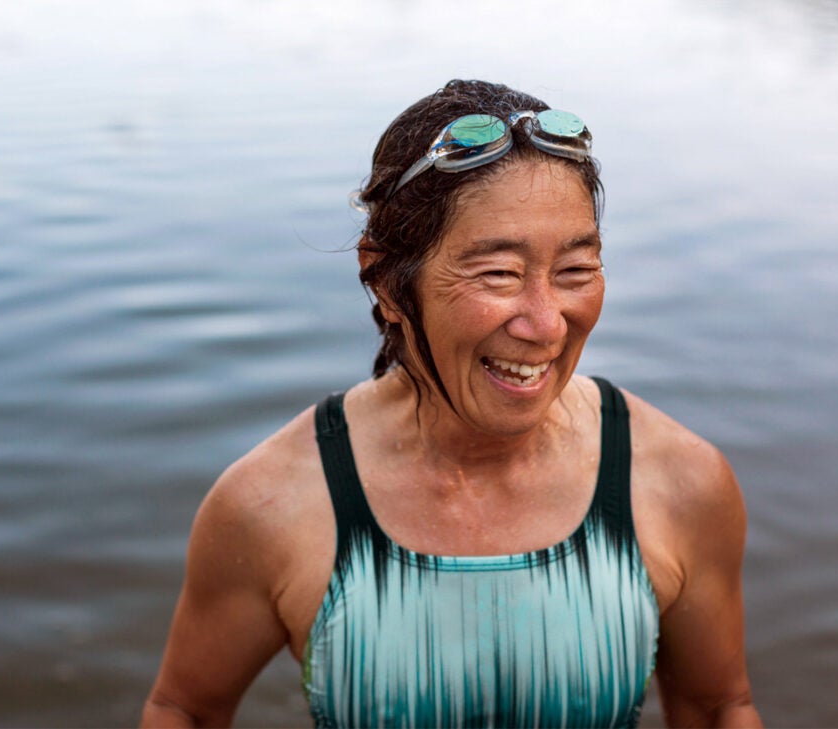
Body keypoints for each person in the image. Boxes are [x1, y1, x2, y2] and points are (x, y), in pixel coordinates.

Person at [141, 79, 762, 728]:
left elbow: (718, 707)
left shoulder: (678, 483)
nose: (546, 323)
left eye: (575, 270)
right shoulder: (274, 503)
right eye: (498, 273)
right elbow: (185, 707)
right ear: (384, 277)